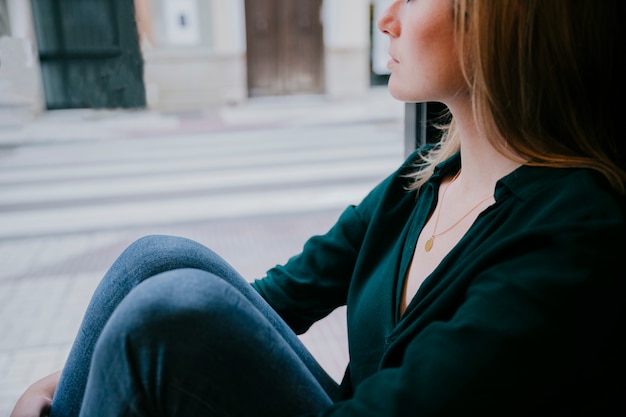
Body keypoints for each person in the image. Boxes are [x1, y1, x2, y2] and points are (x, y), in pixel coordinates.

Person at [11, 0, 626, 416]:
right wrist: (75, 379)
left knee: (165, 318)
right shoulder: (422, 183)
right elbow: (280, 296)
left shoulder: (572, 231)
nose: (385, 19)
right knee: (158, 259)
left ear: (501, 21)